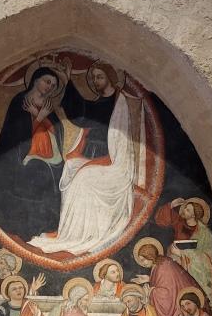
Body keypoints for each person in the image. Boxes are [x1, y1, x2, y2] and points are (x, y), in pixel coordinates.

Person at [28, 61, 141, 255]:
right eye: (93, 77)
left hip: (112, 161)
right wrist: (68, 81)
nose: (96, 81)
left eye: (100, 77)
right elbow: (82, 113)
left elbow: (118, 147)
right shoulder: (99, 101)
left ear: (110, 78)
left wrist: (91, 164)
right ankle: (66, 230)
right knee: (69, 167)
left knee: (82, 179)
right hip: (93, 157)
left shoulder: (118, 102)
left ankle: (78, 234)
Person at [0, 66, 67, 241]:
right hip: (22, 153)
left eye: (53, 85)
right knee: (30, 174)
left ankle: (44, 225)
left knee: (51, 176)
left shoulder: (47, 106)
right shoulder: (20, 101)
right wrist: (39, 117)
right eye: (47, 81)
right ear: (35, 79)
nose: (50, 87)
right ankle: (19, 225)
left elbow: (57, 130)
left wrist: (41, 115)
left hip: (49, 154)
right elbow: (16, 134)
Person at [154, 197, 212, 311]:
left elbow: (208, 257)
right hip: (177, 262)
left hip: (196, 269)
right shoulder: (178, 222)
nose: (183, 210)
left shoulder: (204, 232)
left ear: (194, 215)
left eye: (187, 210)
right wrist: (171, 204)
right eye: (185, 208)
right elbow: (160, 220)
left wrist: (183, 253)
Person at [131, 237, 209, 316]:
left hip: (179, 308)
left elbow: (167, 294)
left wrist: (150, 291)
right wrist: (149, 279)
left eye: (143, 260)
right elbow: (166, 282)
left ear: (149, 255)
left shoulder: (163, 266)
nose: (143, 263)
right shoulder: (160, 264)